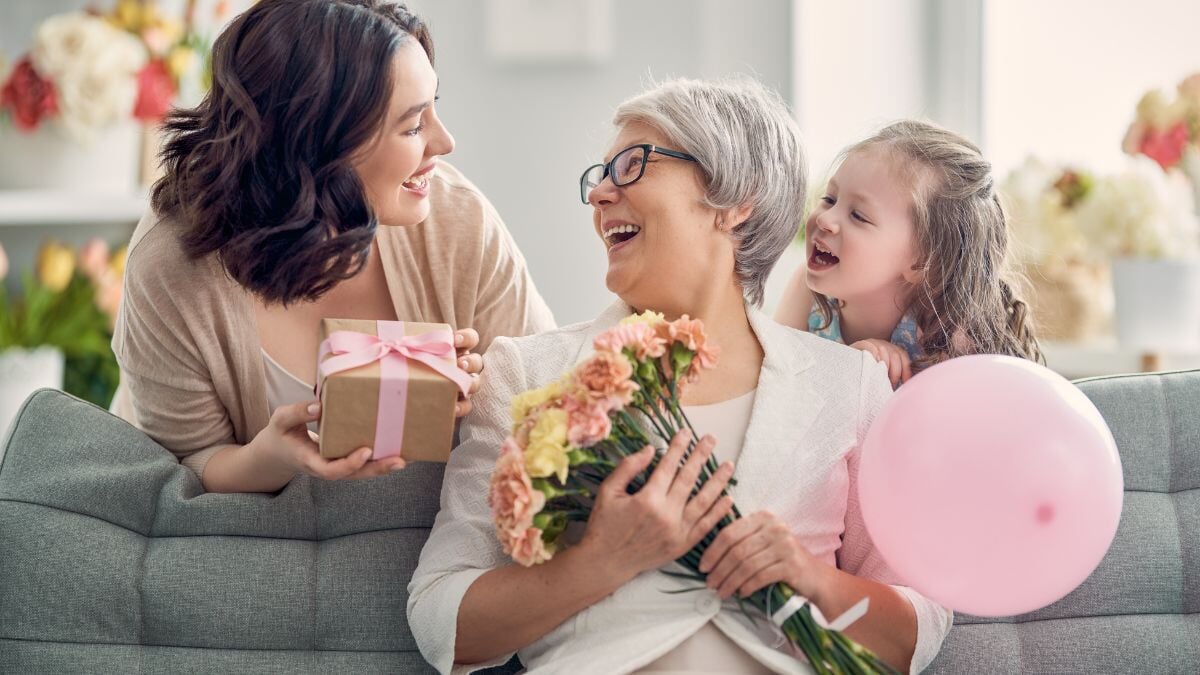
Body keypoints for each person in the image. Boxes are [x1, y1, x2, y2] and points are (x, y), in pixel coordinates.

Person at [408, 77, 952, 674]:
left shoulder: (850, 386)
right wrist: (597, 563)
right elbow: (441, 619)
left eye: (633, 165)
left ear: (736, 199)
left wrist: (811, 579)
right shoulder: (525, 372)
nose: (600, 195)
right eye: (600, 174)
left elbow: (915, 633)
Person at [111, 0, 554, 493]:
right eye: (412, 126)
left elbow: (549, 404)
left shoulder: (457, 220)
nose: (445, 142)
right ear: (319, 145)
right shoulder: (172, 265)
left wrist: (487, 394)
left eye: (434, 109)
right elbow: (185, 465)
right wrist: (273, 456)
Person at [775, 120, 1041, 388]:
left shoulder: (946, 337)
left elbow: (957, 426)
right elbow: (775, 389)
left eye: (858, 216)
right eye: (829, 199)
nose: (825, 219)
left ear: (921, 262)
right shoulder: (808, 292)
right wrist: (848, 371)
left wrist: (873, 386)